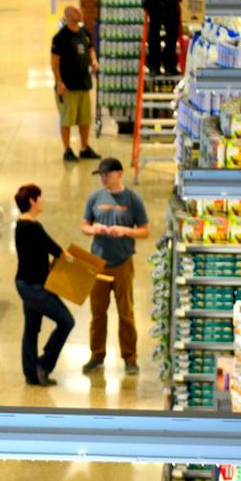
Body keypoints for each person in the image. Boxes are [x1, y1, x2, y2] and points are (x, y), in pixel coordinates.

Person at [80, 158, 149, 377]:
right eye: (100, 175)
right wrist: (95, 229)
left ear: (119, 173)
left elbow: (145, 230)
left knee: (126, 313)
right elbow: (84, 226)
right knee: (97, 313)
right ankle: (96, 355)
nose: (102, 179)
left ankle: (130, 357)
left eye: (106, 175)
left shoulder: (133, 199)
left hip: (123, 264)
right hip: (97, 264)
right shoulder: (95, 197)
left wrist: (125, 231)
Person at [14, 183, 76, 387]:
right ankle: (44, 364)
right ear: (32, 201)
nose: (43, 200)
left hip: (26, 283)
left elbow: (38, 252)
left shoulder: (21, 225)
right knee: (66, 321)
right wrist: (68, 258)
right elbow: (52, 247)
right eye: (40, 197)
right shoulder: (32, 226)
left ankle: (31, 374)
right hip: (34, 287)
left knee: (31, 328)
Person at [51, 2, 98, 162]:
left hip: (83, 83)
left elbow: (91, 49)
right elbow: (55, 61)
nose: (81, 13)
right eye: (77, 11)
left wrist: (94, 60)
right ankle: (67, 150)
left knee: (85, 119)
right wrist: (59, 82)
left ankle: (84, 147)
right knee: (67, 119)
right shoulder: (61, 37)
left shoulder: (84, 33)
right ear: (69, 16)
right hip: (67, 86)